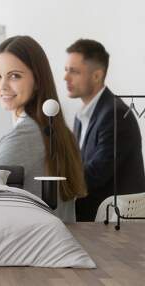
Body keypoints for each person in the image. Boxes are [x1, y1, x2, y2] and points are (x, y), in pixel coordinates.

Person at [0, 36, 87, 222]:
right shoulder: (55, 129)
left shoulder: (26, 134)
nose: (2, 85)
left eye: (14, 76)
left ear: (37, 81)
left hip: (29, 247)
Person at [65, 39, 145, 221]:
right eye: (66, 70)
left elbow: (96, 174)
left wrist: (57, 181)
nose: (66, 78)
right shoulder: (82, 116)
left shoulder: (115, 114)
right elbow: (81, 168)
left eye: (74, 71)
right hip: (92, 207)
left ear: (96, 76)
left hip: (110, 216)